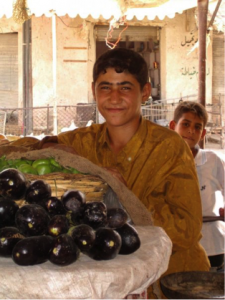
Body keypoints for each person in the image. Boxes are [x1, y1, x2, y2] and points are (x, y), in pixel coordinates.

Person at [7, 48, 210, 299]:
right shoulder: (83, 142)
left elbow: (187, 230)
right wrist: (55, 148)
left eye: (125, 87)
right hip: (109, 285)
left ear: (145, 92)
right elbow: (24, 148)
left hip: (172, 282)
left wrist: (122, 195)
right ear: (94, 90)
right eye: (105, 87)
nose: (114, 97)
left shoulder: (170, 147)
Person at [169, 100, 225, 271]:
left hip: (212, 245)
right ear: (173, 126)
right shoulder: (163, 162)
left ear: (203, 133)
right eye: (185, 124)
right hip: (175, 242)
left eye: (197, 127)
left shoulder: (212, 161)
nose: (191, 131)